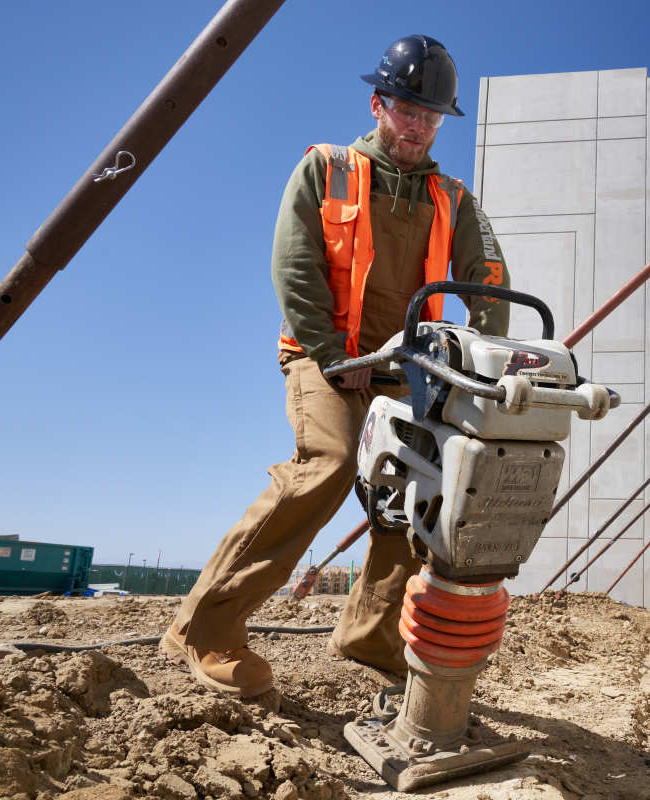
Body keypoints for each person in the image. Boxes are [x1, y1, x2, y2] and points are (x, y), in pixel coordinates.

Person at [161, 34, 510, 698]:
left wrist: (486, 365)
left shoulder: (454, 198)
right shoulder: (326, 168)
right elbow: (294, 267)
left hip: (400, 370)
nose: (418, 126)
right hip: (323, 357)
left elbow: (488, 281)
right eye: (407, 110)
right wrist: (330, 353)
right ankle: (205, 627)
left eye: (431, 116)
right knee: (329, 462)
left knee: (418, 493)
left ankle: (371, 637)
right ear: (379, 105)